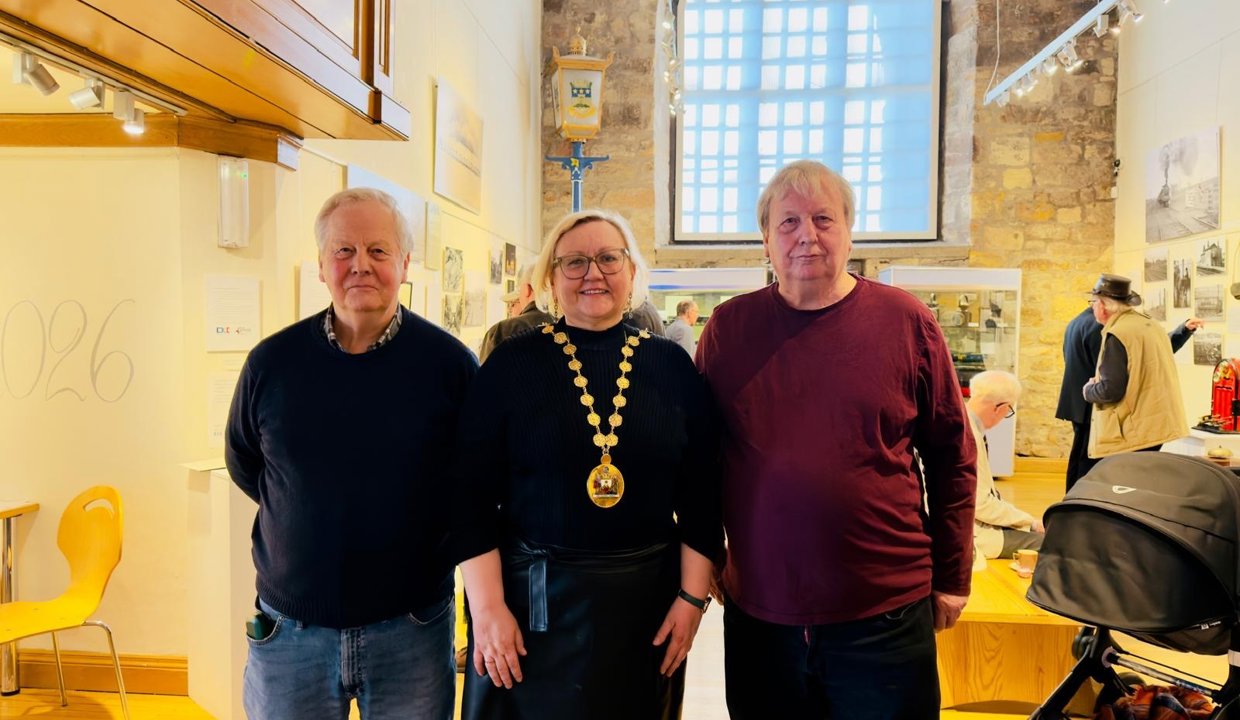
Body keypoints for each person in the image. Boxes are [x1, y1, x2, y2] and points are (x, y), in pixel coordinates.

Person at [696, 159, 977, 719]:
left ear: (849, 232)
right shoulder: (729, 329)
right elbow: (701, 458)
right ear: (767, 241)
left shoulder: (906, 321)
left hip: (884, 612)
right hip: (762, 613)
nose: (807, 235)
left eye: (823, 218)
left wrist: (953, 574)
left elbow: (952, 455)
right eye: (789, 222)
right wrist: (708, 554)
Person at [449, 208, 722, 720]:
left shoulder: (671, 366)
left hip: (647, 607)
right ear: (551, 278)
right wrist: (486, 610)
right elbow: (469, 498)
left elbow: (702, 494)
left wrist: (691, 599)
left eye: (608, 259)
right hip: (532, 608)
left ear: (632, 272)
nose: (592, 273)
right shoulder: (511, 364)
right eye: (574, 262)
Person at [225, 188, 476, 720]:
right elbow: (248, 463)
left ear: (405, 264)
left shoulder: (450, 367)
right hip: (291, 635)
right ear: (321, 266)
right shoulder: (271, 364)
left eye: (378, 251)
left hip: (411, 628)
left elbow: (471, 484)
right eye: (343, 251)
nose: (360, 265)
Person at [1057, 289, 1200, 490]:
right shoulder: (1106, 329)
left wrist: (1182, 331)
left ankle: (1071, 504)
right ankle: (1078, 506)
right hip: (1096, 406)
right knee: (1091, 468)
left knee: (1081, 461)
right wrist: (1091, 390)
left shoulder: (1078, 322)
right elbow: (1119, 375)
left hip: (1080, 403)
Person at [1083, 273, 1188, 458]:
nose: (1092, 306)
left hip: (1134, 428)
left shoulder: (1118, 333)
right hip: (1158, 423)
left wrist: (1088, 390)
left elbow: (1111, 390)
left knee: (1123, 484)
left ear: (1103, 306)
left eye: (1094, 301)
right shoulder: (1150, 325)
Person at [966, 371, 1043, 560]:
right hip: (971, 532)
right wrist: (1030, 522)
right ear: (1000, 408)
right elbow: (981, 505)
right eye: (1009, 411)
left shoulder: (963, 422)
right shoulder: (969, 437)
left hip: (967, 522)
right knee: (1052, 544)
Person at [479, 265, 553, 363]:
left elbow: (486, 376)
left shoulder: (502, 330)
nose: (510, 309)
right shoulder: (569, 325)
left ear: (527, 289)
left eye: (513, 303)